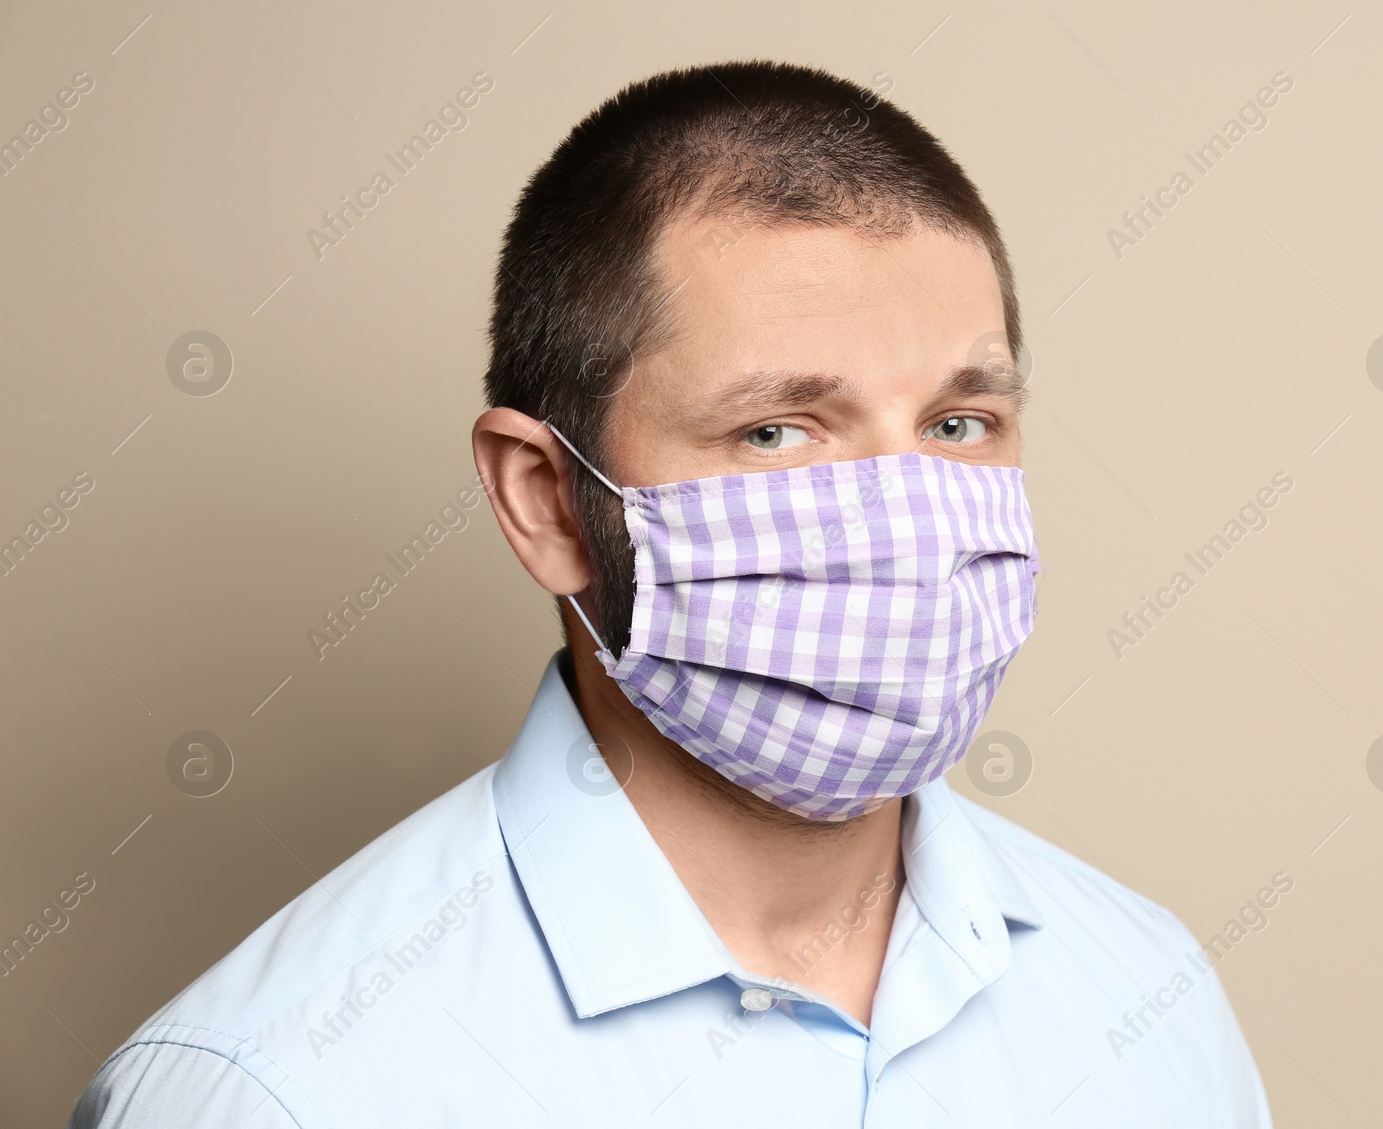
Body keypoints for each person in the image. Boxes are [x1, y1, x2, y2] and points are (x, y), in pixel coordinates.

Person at [69, 60, 1271, 1127]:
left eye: (960, 423)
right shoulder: (272, 1087)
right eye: (777, 431)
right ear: (544, 501)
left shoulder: (1150, 1000)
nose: (908, 516)